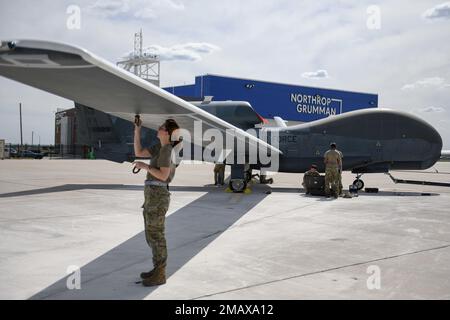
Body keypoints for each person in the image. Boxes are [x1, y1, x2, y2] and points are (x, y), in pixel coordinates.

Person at [133, 118, 181, 287]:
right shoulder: (159, 148)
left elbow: (163, 175)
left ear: (167, 133)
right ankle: (157, 269)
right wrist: (137, 130)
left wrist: (144, 167)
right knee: (151, 234)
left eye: (161, 127)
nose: (158, 128)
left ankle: (160, 273)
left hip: (158, 195)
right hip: (153, 196)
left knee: (156, 235)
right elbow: (138, 151)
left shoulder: (167, 150)